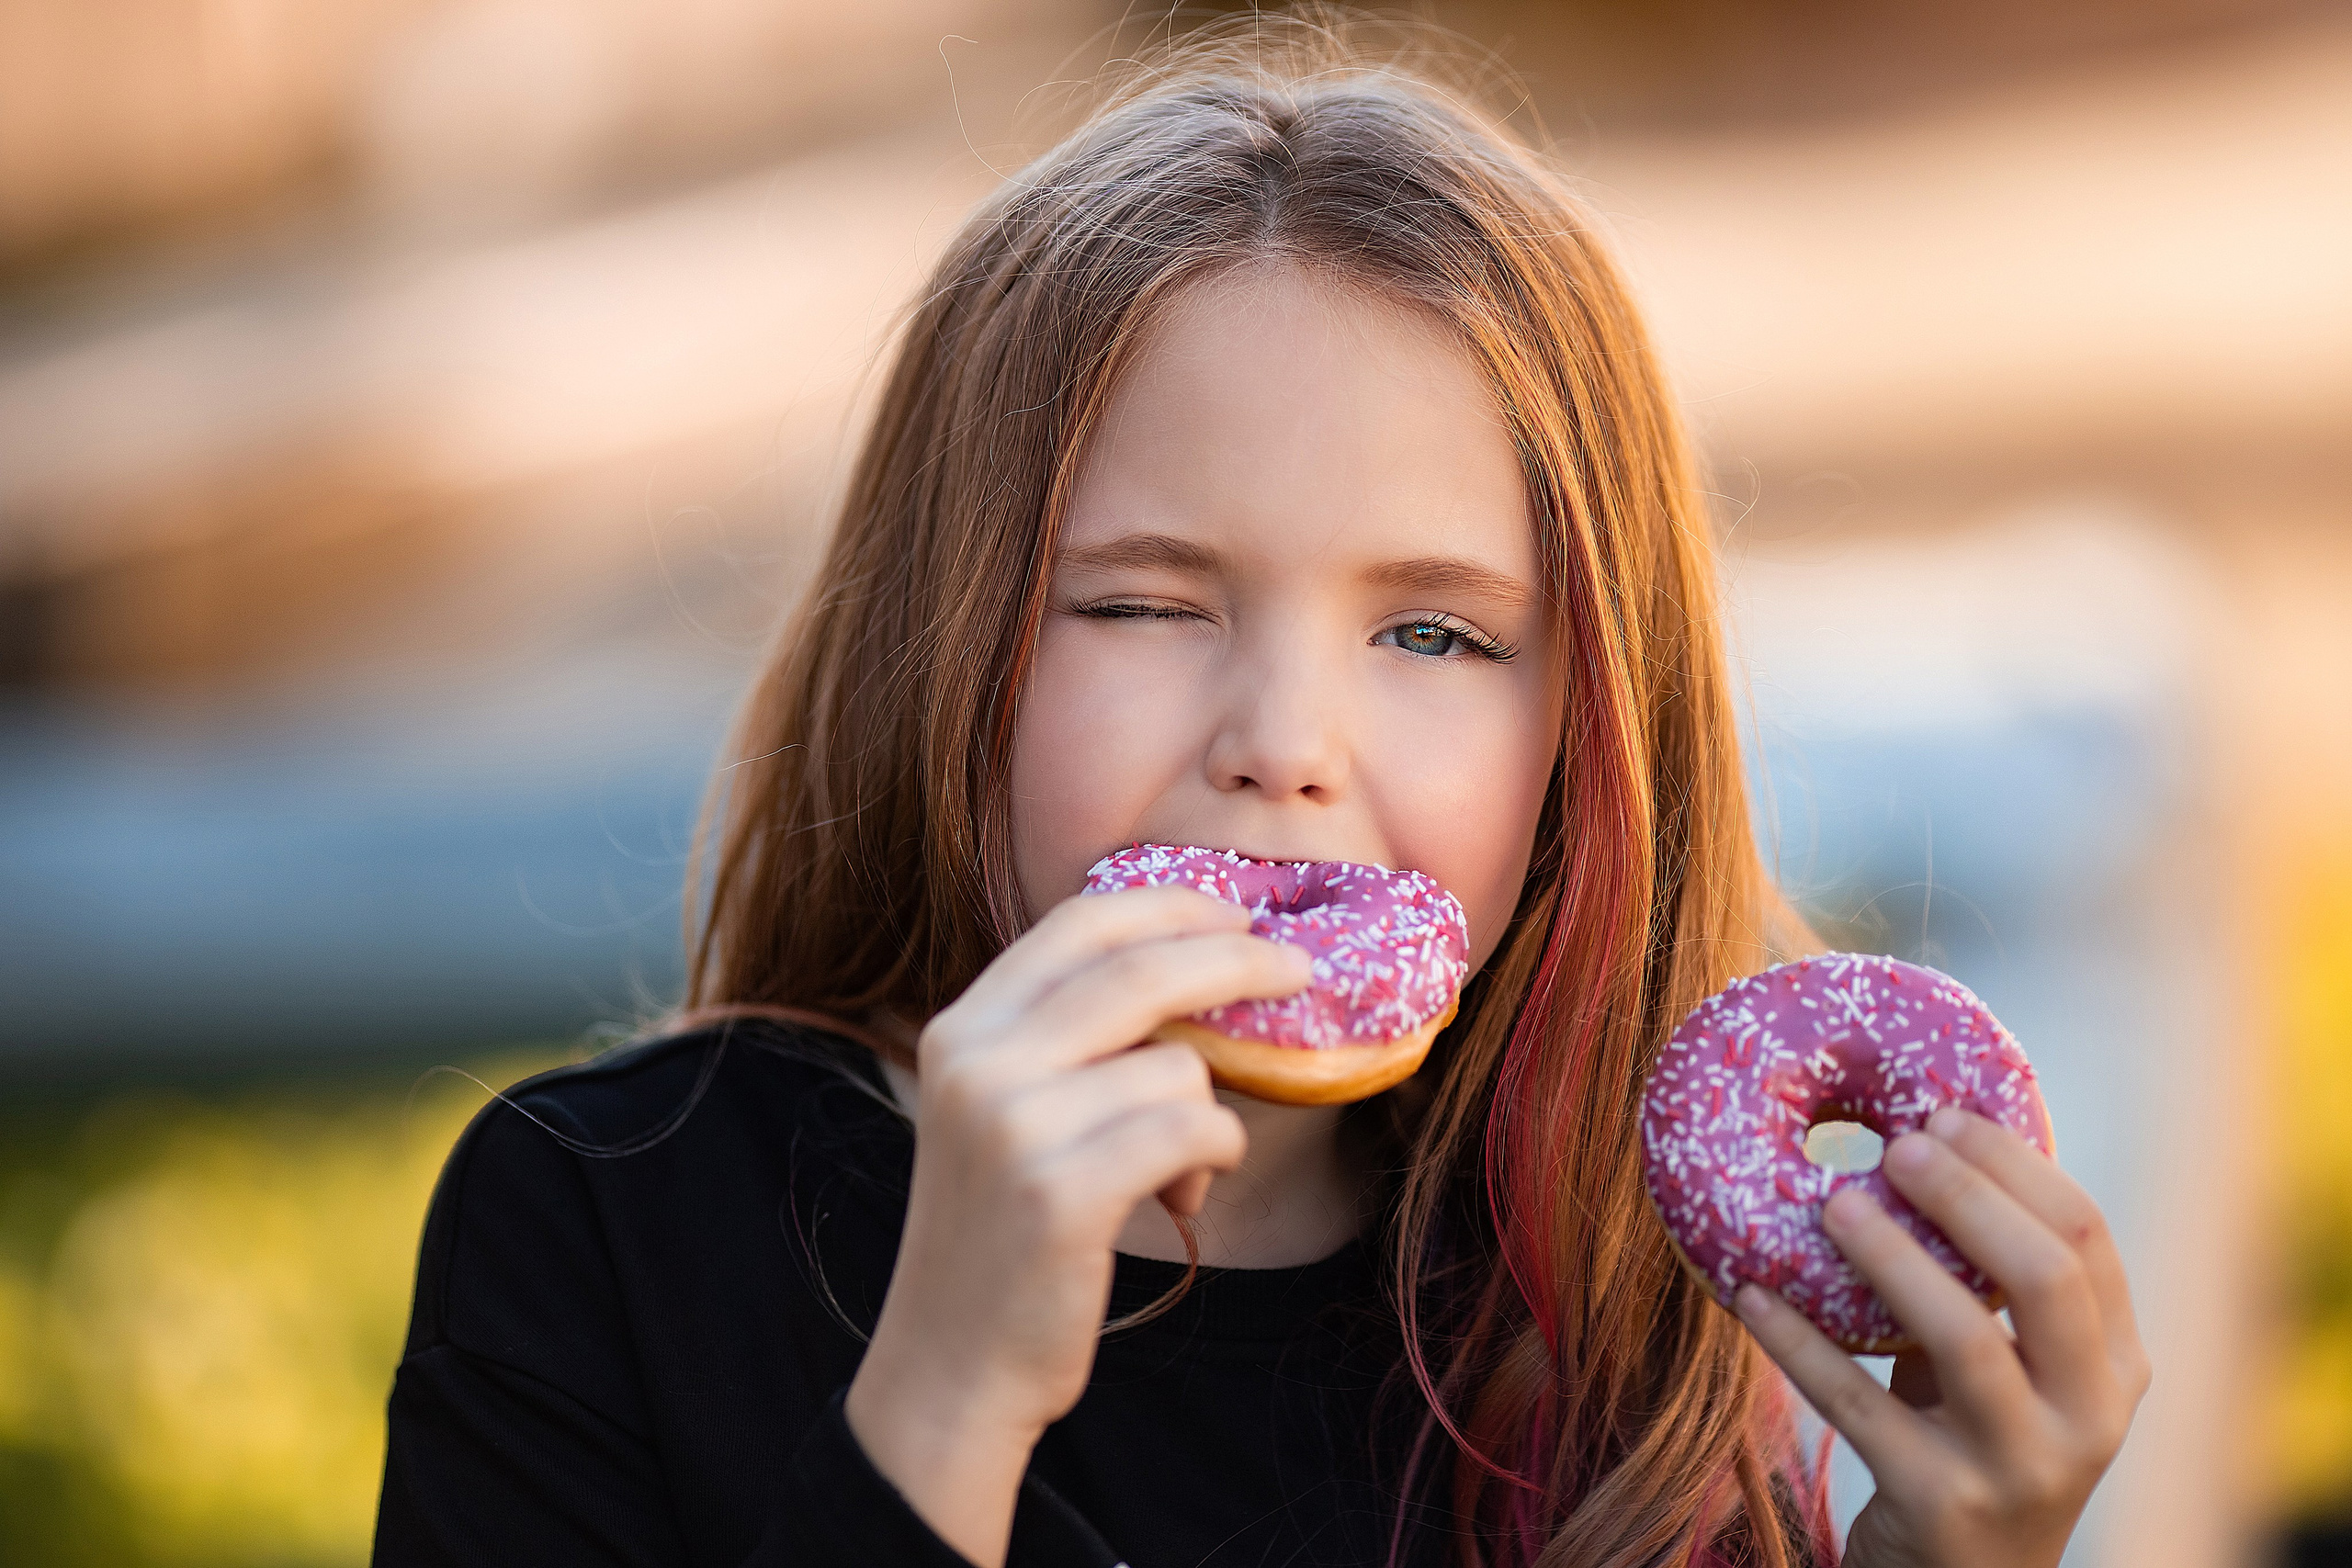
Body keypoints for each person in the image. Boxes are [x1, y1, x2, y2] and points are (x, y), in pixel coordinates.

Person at [372, 22, 2148, 1568]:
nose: (1284, 738)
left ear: (1589, 736)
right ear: (945, 641)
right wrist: (941, 1410)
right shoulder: (602, 1230)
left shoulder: (1625, 1323)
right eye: (1145, 603)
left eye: (1439, 633)